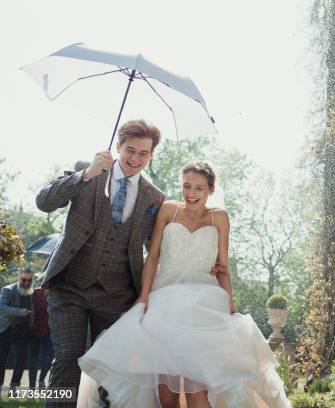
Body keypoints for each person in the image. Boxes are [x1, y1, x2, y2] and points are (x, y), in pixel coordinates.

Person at [76, 161, 291, 407]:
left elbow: (223, 266)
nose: (191, 193)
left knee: (196, 390)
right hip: (165, 300)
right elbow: (153, 256)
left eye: (199, 188)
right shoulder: (168, 210)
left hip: (204, 302)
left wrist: (229, 301)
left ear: (210, 190)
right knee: (165, 396)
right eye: (187, 186)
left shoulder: (219, 216)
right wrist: (144, 296)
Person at [36, 120, 169, 408]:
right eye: (129, 150)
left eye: (143, 154)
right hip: (69, 285)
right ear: (118, 147)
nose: (135, 159)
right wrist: (86, 174)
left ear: (151, 155)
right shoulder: (89, 170)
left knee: (110, 373)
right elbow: (43, 202)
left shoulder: (155, 198)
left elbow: (156, 250)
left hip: (117, 295)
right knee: (68, 361)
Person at [0, 266, 35, 393]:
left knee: (21, 358)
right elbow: (1, 307)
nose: (26, 283)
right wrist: (20, 312)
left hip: (24, 330)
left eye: (29, 281)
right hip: (6, 330)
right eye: (23, 280)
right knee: (1, 359)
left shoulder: (32, 293)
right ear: (18, 278)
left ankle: (13, 386)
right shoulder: (7, 290)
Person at [29, 286, 54, 390]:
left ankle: (41, 380)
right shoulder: (34, 293)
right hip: (35, 331)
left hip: (50, 332)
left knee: (48, 359)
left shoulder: (55, 293)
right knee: (33, 360)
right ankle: (31, 386)